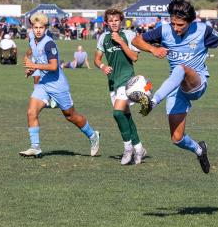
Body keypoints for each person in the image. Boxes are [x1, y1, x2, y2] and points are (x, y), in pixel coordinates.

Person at [131, 0, 218, 174]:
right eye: (173, 23)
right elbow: (136, 40)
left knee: (181, 68)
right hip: (174, 87)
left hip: (196, 82)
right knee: (176, 138)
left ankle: (152, 102)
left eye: (180, 24)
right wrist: (152, 49)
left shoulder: (202, 29)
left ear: (190, 21)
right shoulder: (164, 29)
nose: (176, 27)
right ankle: (199, 150)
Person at [21, 13, 100, 157]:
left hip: (58, 85)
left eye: (41, 27)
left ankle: (93, 135)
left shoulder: (49, 43)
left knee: (71, 116)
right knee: (31, 112)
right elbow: (33, 51)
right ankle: (35, 147)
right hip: (43, 84)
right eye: (35, 27)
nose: (38, 30)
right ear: (31, 28)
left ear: (46, 28)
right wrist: (31, 67)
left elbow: (53, 67)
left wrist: (34, 65)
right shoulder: (32, 39)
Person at [94, 9, 147, 165]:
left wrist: (121, 42)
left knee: (117, 113)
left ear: (121, 21)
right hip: (113, 82)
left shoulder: (129, 35)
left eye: (116, 20)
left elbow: (134, 57)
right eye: (111, 21)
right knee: (126, 116)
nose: (114, 23)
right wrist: (102, 66)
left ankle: (128, 148)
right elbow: (97, 59)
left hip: (127, 81)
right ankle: (139, 149)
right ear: (107, 23)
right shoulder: (103, 37)